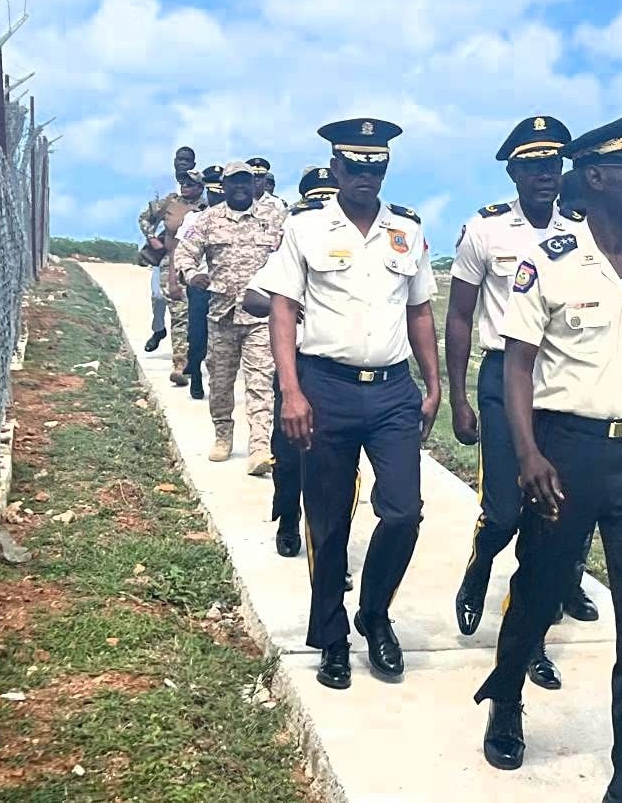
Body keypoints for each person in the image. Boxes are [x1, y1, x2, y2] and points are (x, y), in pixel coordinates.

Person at [473, 110, 622, 803]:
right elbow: (517, 366)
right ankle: (506, 699)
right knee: (536, 591)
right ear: (595, 178)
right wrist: (527, 451)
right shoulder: (549, 262)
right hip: (565, 453)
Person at [259, 118, 440, 691]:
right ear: (336, 169)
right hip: (325, 386)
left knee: (404, 512)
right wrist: (291, 391)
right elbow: (283, 309)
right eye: (356, 165)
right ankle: (332, 638)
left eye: (376, 165)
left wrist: (432, 383)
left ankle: (375, 612)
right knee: (330, 520)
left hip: (391, 390)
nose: (367, 175)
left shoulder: (406, 231)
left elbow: (419, 310)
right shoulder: (305, 228)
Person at [447, 116, 592, 694]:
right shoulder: (486, 230)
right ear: (513, 171)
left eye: (552, 165)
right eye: (532, 166)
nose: (543, 176)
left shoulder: (580, 229)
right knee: (506, 512)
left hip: (559, 387)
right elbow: (459, 315)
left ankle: (526, 640)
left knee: (547, 523)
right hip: (501, 377)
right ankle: (481, 562)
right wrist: (457, 397)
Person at [242, 165, 360, 570]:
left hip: (340, 371)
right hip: (297, 368)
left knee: (336, 466)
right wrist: (291, 305)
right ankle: (288, 516)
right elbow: (252, 298)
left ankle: (331, 551)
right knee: (290, 456)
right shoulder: (294, 242)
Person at [173, 161, 284, 476]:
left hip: (260, 317)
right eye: (233, 182)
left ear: (253, 185)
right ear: (224, 185)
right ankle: (223, 433)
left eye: (245, 182)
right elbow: (185, 253)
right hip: (221, 315)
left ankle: (260, 446)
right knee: (220, 382)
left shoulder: (273, 219)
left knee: (261, 382)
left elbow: (289, 254)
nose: (240, 187)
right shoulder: (207, 220)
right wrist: (192, 274)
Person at [139, 147, 198, 352]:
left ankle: (185, 354)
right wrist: (152, 238)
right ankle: (159, 330)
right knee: (158, 296)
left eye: (187, 160)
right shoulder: (165, 189)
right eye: (179, 159)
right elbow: (146, 216)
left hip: (193, 259)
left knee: (186, 306)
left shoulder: (204, 198)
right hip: (166, 254)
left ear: (193, 164)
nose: (182, 163)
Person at [176, 164, 226, 400]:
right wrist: (189, 275)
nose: (217, 196)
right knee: (198, 336)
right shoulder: (195, 219)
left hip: (230, 290)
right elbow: (183, 250)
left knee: (224, 343)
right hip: (202, 288)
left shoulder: (242, 219)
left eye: (220, 192)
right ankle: (195, 373)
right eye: (213, 192)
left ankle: (219, 385)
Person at [162, 170, 207, 387]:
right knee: (180, 318)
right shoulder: (173, 205)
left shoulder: (208, 209)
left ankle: (198, 364)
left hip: (207, 280)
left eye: (191, 184)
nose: (185, 187)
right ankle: (180, 365)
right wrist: (173, 277)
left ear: (201, 187)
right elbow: (174, 246)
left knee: (201, 327)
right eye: (183, 183)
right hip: (183, 271)